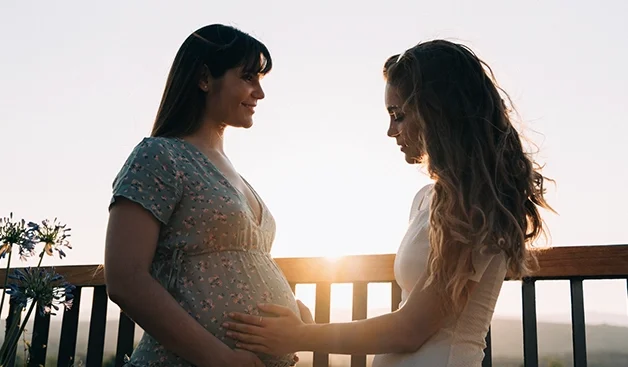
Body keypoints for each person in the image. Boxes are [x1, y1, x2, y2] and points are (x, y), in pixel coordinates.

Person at [223, 40, 555, 367]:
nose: (390, 130)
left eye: (398, 115)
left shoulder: (475, 204)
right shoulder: (428, 199)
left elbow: (411, 330)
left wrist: (300, 335)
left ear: (438, 113)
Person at [103, 24, 308, 367]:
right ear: (204, 78)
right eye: (247, 77)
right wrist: (222, 359)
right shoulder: (159, 156)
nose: (259, 93)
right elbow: (125, 279)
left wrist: (293, 311)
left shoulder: (232, 171)